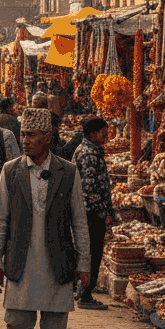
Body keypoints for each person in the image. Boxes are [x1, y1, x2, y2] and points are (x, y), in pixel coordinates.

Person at [0, 107, 91, 329]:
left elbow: (79, 219)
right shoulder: (11, 171)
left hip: (58, 263)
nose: (26, 140)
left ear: (48, 137)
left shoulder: (68, 171)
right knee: (15, 325)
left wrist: (84, 262)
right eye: (24, 135)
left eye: (32, 135)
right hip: (20, 262)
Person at [71, 117, 113, 310]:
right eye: (103, 134)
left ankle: (79, 289)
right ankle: (86, 294)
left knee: (84, 252)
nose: (106, 137)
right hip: (90, 213)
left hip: (87, 212)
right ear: (92, 134)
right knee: (92, 254)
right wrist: (103, 212)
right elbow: (90, 189)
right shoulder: (89, 154)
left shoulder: (89, 150)